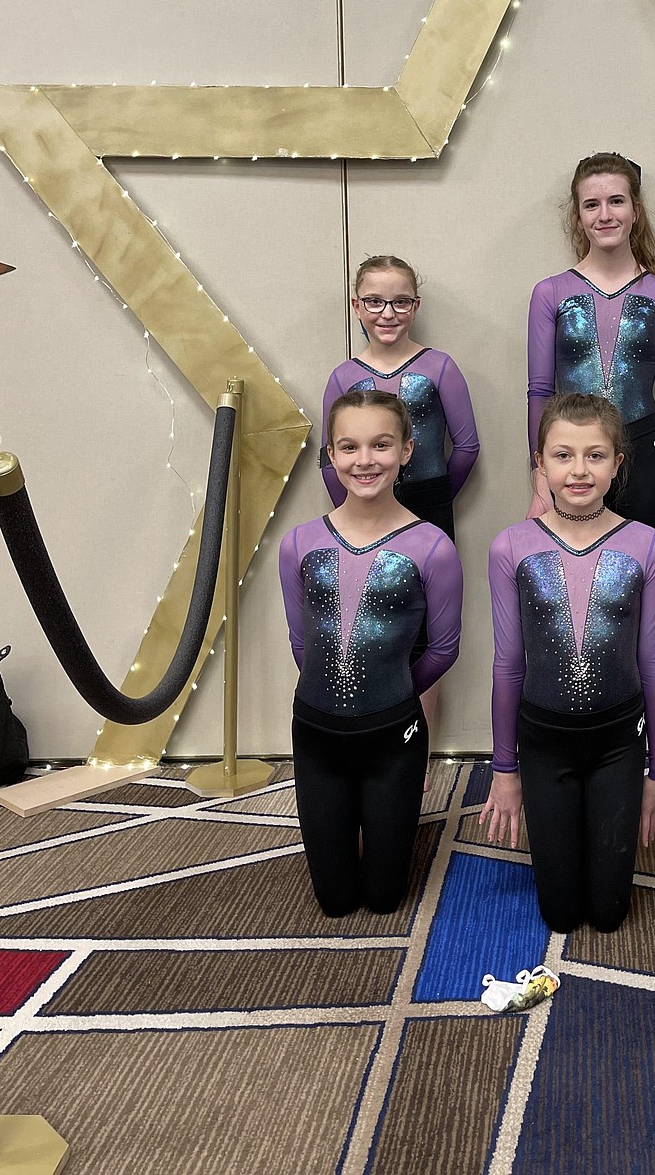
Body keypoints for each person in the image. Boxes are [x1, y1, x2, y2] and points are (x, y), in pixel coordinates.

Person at [481, 392, 655, 933]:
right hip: (544, 742)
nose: (579, 470)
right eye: (563, 455)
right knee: (560, 914)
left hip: (617, 742)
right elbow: (508, 665)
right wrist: (504, 768)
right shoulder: (511, 547)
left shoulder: (646, 547)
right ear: (539, 464)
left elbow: (653, 665)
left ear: (618, 463)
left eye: (595, 455)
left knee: (610, 914)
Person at [280, 391, 462, 916]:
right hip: (317, 735)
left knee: (385, 899)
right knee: (333, 900)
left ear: (407, 449)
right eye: (349, 447)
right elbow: (302, 644)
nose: (365, 460)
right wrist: (339, 697)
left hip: (393, 737)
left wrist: (394, 694)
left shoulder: (432, 547)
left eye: (381, 445)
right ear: (330, 457)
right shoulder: (298, 544)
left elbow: (444, 648)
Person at [320, 255, 478, 754]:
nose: (387, 313)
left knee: (427, 632)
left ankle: (420, 754)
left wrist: (431, 504)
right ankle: (372, 735)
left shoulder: (438, 367)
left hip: (428, 505)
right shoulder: (344, 376)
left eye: (400, 301)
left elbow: (467, 445)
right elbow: (330, 460)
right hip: (358, 514)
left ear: (416, 304)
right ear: (356, 306)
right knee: (371, 623)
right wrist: (355, 507)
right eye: (374, 301)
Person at [526, 154, 655, 545]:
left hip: (645, 457)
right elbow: (539, 393)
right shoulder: (550, 293)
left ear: (636, 209)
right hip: (571, 455)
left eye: (616, 201)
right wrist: (539, 479)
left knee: (637, 579)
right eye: (591, 204)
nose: (605, 215)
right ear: (578, 216)